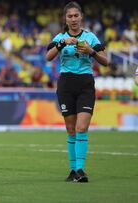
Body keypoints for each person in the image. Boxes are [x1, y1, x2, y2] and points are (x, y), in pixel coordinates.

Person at [46, 1, 108, 183]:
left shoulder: (90, 38)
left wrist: (91, 52)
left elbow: (105, 62)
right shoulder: (60, 37)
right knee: (71, 129)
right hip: (66, 84)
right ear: (65, 19)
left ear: (81, 17)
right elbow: (48, 57)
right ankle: (73, 171)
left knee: (82, 127)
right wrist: (61, 44)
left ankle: (80, 169)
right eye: (69, 16)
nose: (73, 19)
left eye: (76, 15)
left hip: (85, 84)